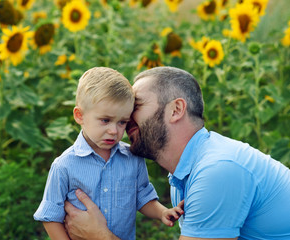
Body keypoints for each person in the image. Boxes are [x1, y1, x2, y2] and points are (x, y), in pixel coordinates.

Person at [64, 66, 290, 240]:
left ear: (176, 110)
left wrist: (100, 236)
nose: (126, 118)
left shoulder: (217, 171)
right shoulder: (186, 174)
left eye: (137, 106)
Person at [33, 67, 184, 240]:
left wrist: (162, 212)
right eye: (105, 120)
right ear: (79, 115)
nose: (114, 130)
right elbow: (50, 217)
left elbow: (142, 196)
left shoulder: (132, 159)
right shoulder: (64, 166)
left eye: (122, 122)